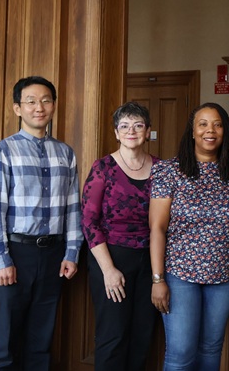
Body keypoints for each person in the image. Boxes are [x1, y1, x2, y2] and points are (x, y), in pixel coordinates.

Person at [0, 76, 83, 370]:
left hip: (53, 256)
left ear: (53, 106)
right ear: (17, 108)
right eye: (30, 101)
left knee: (40, 342)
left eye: (46, 100)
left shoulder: (65, 153)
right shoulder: (2, 150)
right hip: (15, 254)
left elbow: (73, 208)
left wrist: (72, 252)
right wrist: (1, 259)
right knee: (6, 344)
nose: (39, 107)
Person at [150, 102, 229, 371]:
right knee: (180, 353)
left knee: (211, 350)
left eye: (217, 124)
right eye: (202, 124)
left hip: (224, 275)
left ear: (226, 131)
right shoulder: (168, 171)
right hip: (180, 274)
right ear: (192, 131)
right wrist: (158, 279)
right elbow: (157, 228)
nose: (209, 130)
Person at [81, 102, 159, 370]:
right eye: (124, 126)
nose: (131, 131)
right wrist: (108, 270)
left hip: (151, 261)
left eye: (138, 125)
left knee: (142, 335)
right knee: (112, 336)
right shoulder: (103, 168)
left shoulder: (162, 169)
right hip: (112, 258)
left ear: (147, 131)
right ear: (116, 132)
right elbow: (89, 221)